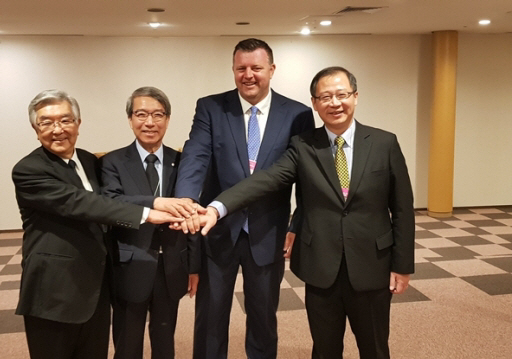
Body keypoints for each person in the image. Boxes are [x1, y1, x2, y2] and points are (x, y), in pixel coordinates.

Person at [200, 66, 415, 359]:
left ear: (355, 96)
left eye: (341, 95)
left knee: (375, 348)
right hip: (321, 267)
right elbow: (266, 179)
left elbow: (402, 209)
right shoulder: (303, 146)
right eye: (325, 97)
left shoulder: (383, 143)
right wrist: (218, 207)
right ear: (314, 103)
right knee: (324, 349)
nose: (335, 103)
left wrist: (402, 264)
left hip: (372, 265)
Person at [12, 89, 184, 359]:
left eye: (66, 120)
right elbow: (85, 203)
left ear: (78, 124)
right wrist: (150, 210)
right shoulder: (29, 170)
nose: (57, 129)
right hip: (55, 290)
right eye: (46, 122)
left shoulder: (89, 161)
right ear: (35, 128)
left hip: (95, 287)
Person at [175, 38, 315, 359]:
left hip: (268, 231)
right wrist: (184, 199)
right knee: (210, 318)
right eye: (241, 68)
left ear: (272, 70)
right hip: (219, 230)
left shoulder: (297, 114)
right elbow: (196, 156)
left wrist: (298, 222)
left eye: (256, 68)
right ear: (233, 70)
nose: (248, 75)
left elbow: (305, 176)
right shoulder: (211, 107)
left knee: (264, 318)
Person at [101, 87, 201, 359]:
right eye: (141, 114)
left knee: (165, 340)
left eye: (158, 115)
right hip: (130, 265)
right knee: (127, 343)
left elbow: (190, 214)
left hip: (172, 266)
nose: (150, 122)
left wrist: (194, 266)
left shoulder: (182, 162)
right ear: (130, 119)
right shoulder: (112, 162)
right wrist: (155, 203)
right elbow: (111, 203)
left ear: (168, 119)